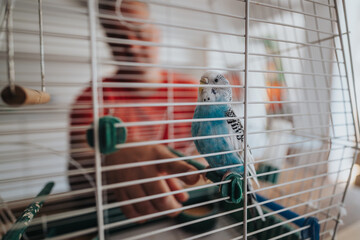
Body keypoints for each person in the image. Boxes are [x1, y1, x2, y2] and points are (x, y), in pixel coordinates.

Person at [69, 0, 201, 220]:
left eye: (138, 30)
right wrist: (110, 158)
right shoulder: (91, 98)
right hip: (120, 217)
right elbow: (78, 173)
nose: (130, 44)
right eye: (117, 35)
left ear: (157, 33)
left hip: (189, 206)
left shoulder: (194, 93)